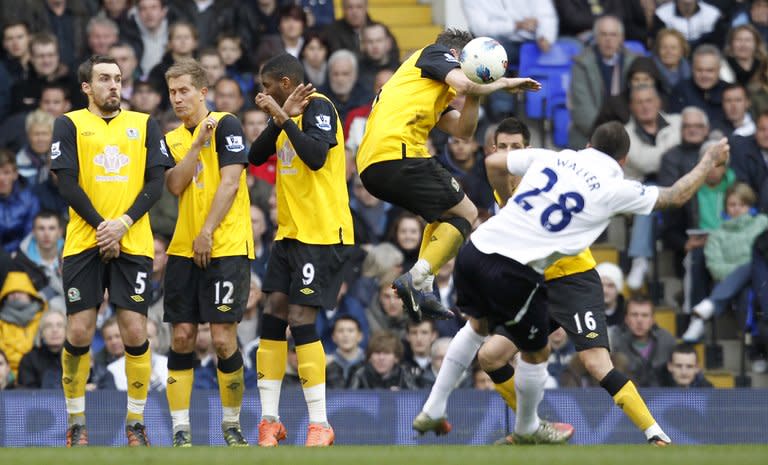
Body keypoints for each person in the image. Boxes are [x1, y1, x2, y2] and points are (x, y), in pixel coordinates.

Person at [416, 120, 729, 446]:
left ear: (526, 149)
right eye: (503, 147)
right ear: (495, 149)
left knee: (593, 362)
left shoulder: (551, 163)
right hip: (528, 279)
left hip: (572, 279)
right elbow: (673, 195)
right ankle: (530, 426)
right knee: (492, 356)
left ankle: (654, 433)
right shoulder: (515, 183)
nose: (509, 152)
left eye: (515, 147)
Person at [356, 29, 540, 322]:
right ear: (457, 56)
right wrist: (502, 83)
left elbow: (463, 131)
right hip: (398, 154)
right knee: (468, 213)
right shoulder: (432, 54)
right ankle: (417, 277)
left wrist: (476, 93)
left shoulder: (425, 88)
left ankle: (423, 285)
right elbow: (464, 84)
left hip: (375, 166)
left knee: (448, 218)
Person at [50, 55, 171, 447]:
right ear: (87, 87)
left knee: (135, 329)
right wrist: (104, 227)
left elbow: (157, 181)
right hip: (85, 241)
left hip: (132, 240)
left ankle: (136, 423)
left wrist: (123, 223)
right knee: (79, 330)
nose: (114, 85)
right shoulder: (68, 123)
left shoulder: (144, 123)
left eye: (118, 79)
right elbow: (66, 182)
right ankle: (76, 423)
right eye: (104, 79)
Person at [248, 53, 354, 447]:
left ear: (287, 82)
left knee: (299, 316)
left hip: (322, 233)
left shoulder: (320, 105)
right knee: (273, 312)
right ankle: (270, 420)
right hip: (290, 234)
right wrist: (280, 116)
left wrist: (284, 117)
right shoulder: (287, 112)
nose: (263, 93)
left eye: (268, 86)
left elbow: (315, 157)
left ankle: (320, 423)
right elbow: (255, 156)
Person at [162, 59, 253, 447]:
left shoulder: (227, 123)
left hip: (226, 245)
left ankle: (231, 424)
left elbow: (230, 183)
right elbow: (174, 185)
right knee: (182, 337)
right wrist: (195, 146)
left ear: (203, 91)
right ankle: (181, 430)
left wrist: (207, 231)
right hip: (184, 248)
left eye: (184, 90)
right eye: (172, 92)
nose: (178, 98)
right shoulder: (172, 139)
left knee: (222, 339)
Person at [610, 296, 677, 387]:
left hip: (661, 398)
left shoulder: (666, 340)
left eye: (645, 315)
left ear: (653, 320)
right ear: (626, 318)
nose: (639, 320)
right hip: (626, 397)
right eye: (634, 315)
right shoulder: (614, 339)